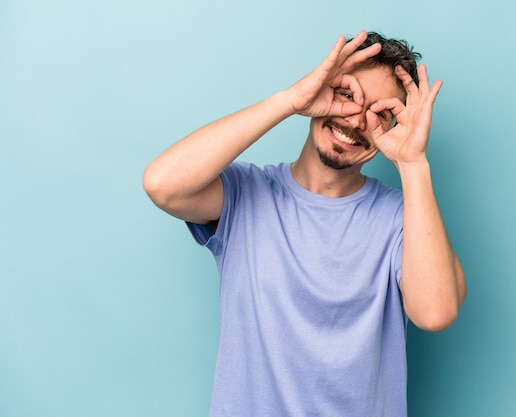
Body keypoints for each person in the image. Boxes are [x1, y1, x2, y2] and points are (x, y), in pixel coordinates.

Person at [143, 30, 466, 417]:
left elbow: (435, 312)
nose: (356, 120)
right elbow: (162, 184)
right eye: (347, 95)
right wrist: (290, 101)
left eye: (381, 113)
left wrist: (413, 164)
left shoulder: (404, 218)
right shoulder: (248, 194)